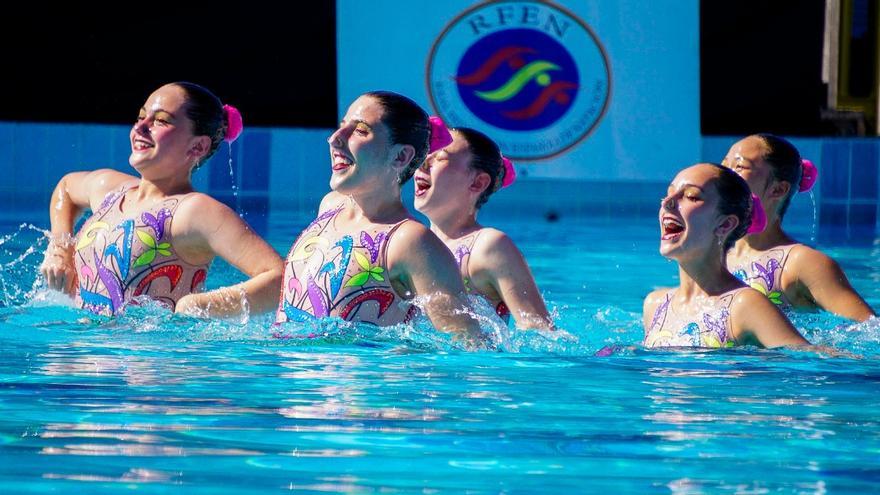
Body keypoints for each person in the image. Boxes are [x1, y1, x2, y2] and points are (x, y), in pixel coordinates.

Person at [40, 82, 283, 318]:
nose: (141, 127)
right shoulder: (111, 191)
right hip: (79, 351)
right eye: (140, 117)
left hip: (152, 358)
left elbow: (279, 277)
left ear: (198, 146)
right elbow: (67, 189)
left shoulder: (193, 211)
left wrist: (198, 306)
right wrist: (60, 247)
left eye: (161, 120)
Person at [274, 91, 480, 340]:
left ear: (401, 156)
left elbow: (467, 344)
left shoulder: (409, 241)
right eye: (341, 127)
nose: (334, 139)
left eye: (360, 131)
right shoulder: (330, 207)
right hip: (291, 374)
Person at [643, 163, 809, 348]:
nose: (668, 202)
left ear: (725, 225)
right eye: (669, 193)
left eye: (691, 196)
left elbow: (811, 360)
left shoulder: (744, 305)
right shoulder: (655, 304)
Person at [412, 127, 554, 330]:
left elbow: (539, 333)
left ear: (477, 183)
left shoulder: (488, 246)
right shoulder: (414, 243)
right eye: (426, 155)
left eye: (440, 158)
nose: (424, 163)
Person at [722, 134, 875, 321]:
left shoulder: (801, 262)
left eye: (739, 166)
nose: (724, 174)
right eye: (724, 164)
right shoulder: (716, 256)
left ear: (778, 189)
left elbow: (870, 330)